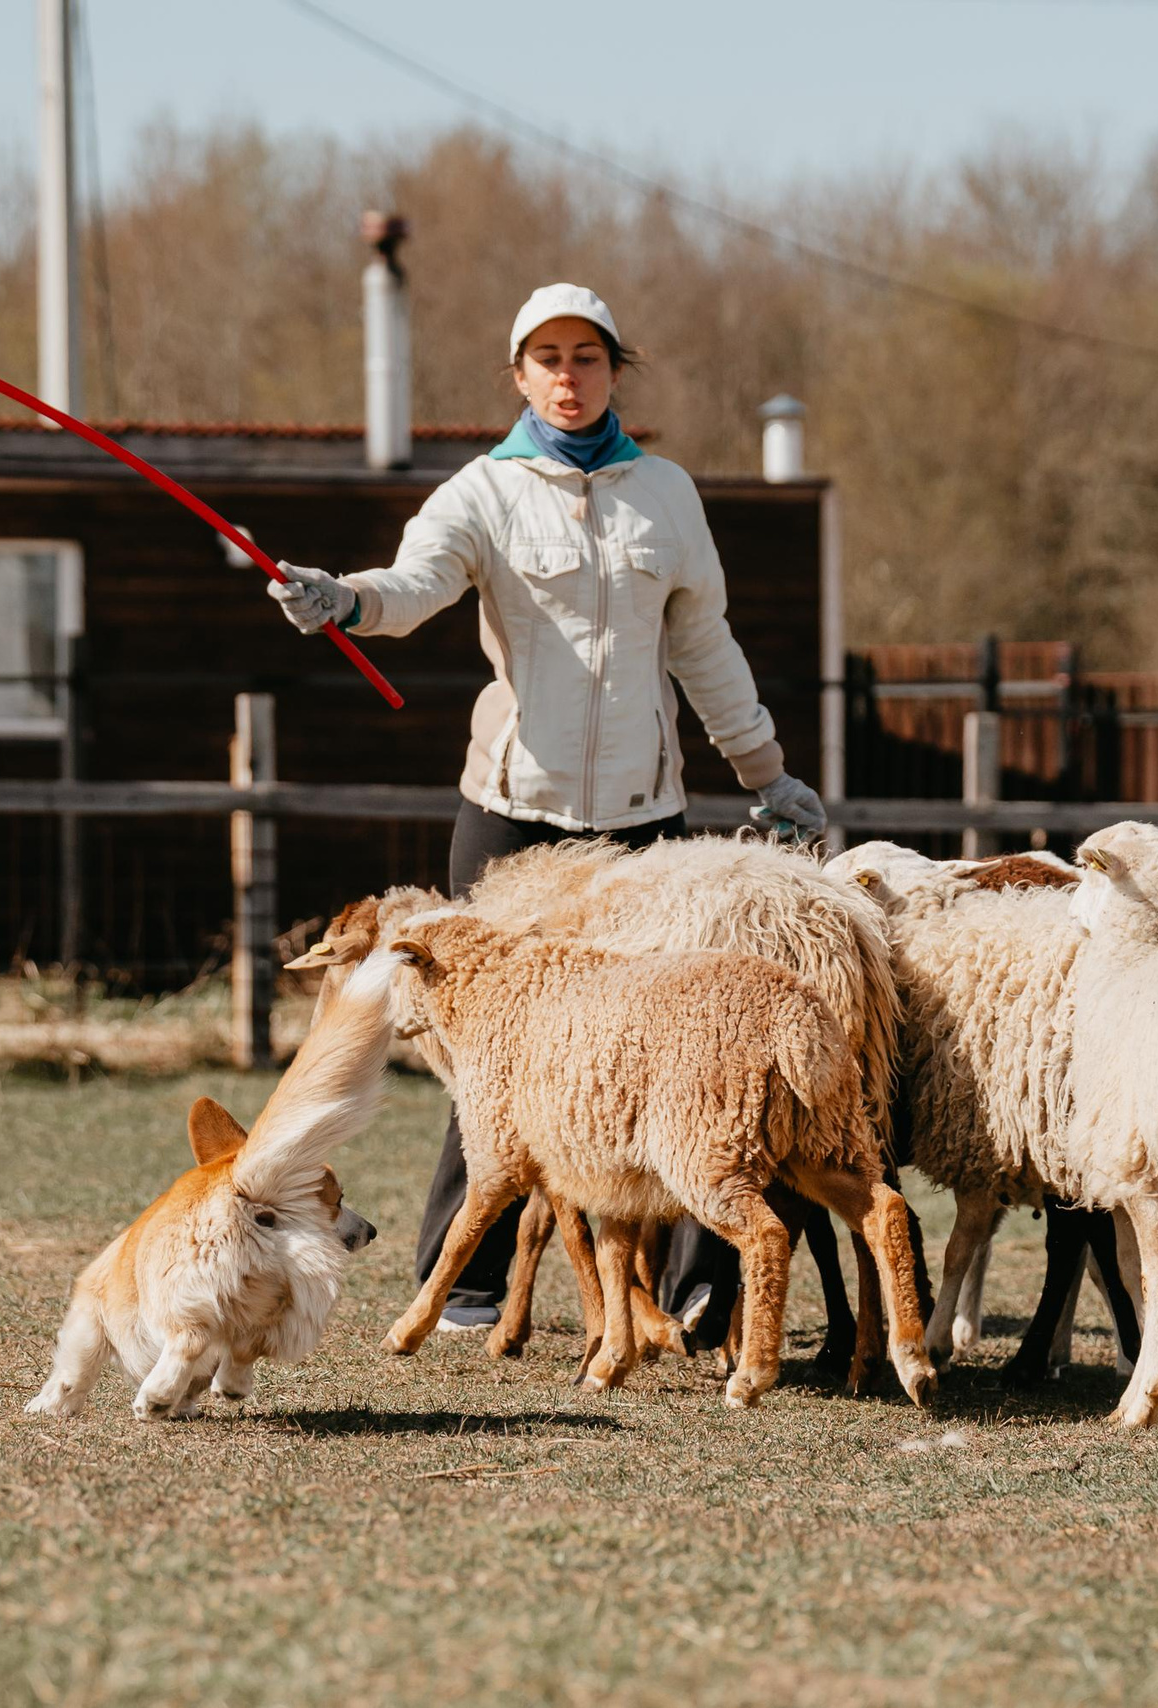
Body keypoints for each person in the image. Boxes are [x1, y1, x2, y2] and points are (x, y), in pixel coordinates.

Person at [268, 283, 826, 1329]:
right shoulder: (482, 491)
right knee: (492, 1054)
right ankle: (468, 1281)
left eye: (587, 358)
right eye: (548, 360)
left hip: (642, 817)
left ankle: (696, 1284)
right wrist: (340, 598)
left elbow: (703, 642)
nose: (568, 377)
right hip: (511, 809)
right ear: (518, 374)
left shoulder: (666, 493)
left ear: (616, 369)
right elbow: (412, 583)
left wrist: (765, 771)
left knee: (682, 1049)